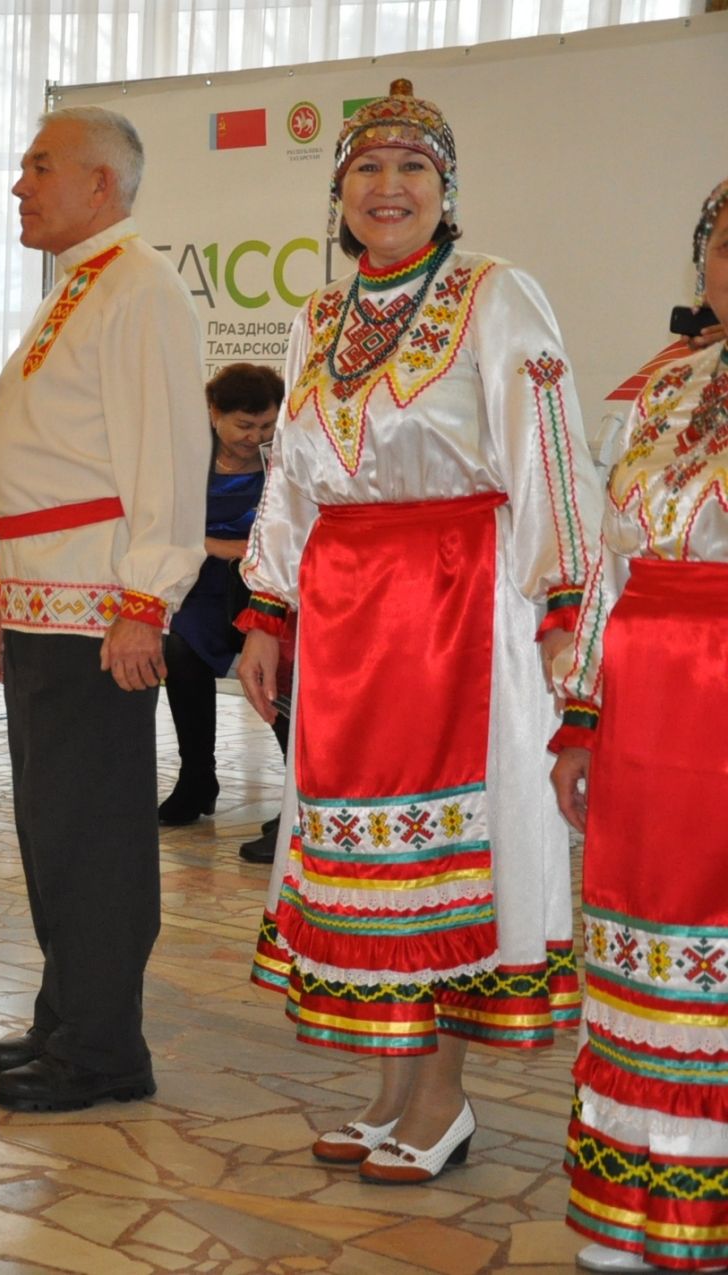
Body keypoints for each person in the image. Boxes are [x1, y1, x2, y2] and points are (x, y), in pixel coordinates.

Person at [235, 81, 601, 1183]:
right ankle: (390, 1083)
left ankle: (441, 1099)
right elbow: (291, 477)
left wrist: (565, 610)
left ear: (447, 192)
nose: (388, 189)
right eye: (366, 170)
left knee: (448, 849)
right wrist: (267, 606)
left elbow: (546, 451)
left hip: (461, 606)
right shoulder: (316, 319)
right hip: (349, 617)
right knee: (360, 851)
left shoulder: (496, 296)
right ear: (337, 192)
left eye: (413, 171)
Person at [0, 107, 208, 1110]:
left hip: (99, 606)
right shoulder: (79, 285)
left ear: (99, 184)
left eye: (37, 168)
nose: (18, 186)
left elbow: (165, 457)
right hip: (40, 598)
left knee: (98, 832)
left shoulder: (141, 288)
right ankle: (66, 1015)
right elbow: (50, 459)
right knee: (52, 825)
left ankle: (107, 1049)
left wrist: (147, 602)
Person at [552, 177, 728, 1274]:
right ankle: (639, 1192)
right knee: (640, 938)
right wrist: (583, 715)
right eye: (724, 240)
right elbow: (606, 566)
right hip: (651, 704)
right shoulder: (665, 388)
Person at [157, 363, 291, 864]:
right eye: (244, 426)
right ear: (213, 414)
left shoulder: (286, 457)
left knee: (281, 673)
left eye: (265, 426)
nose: (254, 436)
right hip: (204, 588)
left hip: (270, 589)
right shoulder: (188, 455)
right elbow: (166, 524)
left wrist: (245, 553)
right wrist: (223, 546)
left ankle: (297, 800)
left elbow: (298, 525)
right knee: (180, 651)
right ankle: (197, 779)